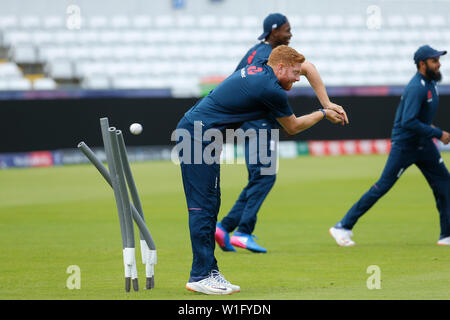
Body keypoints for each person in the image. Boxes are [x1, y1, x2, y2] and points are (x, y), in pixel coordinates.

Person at [175, 45, 348, 295]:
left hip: (202, 134)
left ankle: (208, 270)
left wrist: (327, 101)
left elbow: (306, 66)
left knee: (211, 203)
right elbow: (293, 127)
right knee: (202, 206)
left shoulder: (265, 67)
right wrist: (323, 112)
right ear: (280, 67)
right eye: (294, 73)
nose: (298, 78)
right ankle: (200, 275)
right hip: (197, 135)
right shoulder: (270, 89)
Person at [215, 13, 347, 253]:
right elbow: (309, 69)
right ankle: (242, 232)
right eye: (287, 30)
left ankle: (225, 227)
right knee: (265, 176)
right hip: (259, 123)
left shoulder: (255, 51)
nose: (290, 34)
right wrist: (326, 106)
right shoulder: (270, 57)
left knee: (260, 177)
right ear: (273, 32)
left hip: (251, 122)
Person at [329, 45, 450, 247]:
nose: (439, 64)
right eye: (434, 61)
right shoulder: (416, 87)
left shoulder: (429, 84)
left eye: (438, 60)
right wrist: (439, 133)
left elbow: (419, 119)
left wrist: (431, 131)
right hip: (406, 146)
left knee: (445, 184)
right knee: (382, 187)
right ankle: (342, 226)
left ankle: (446, 235)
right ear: (422, 64)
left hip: (424, 145)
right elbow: (408, 122)